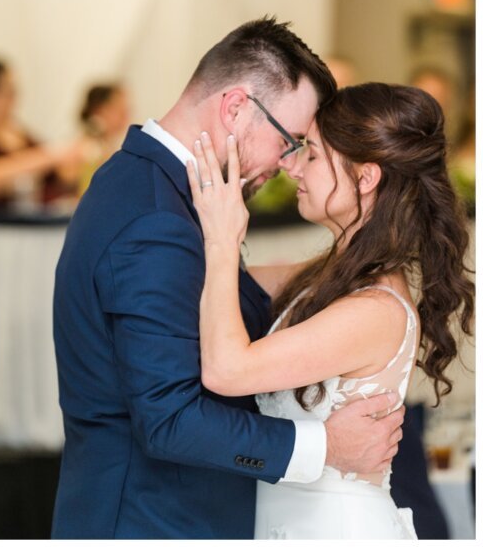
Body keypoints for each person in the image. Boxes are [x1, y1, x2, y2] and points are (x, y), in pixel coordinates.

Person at [51, 17, 406, 538]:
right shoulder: (157, 219)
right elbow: (171, 420)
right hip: (154, 520)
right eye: (289, 140)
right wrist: (327, 446)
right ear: (237, 107)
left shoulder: (153, 186)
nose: (288, 164)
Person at [188, 83, 474, 538]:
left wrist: (223, 237)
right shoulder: (324, 277)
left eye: (313, 155)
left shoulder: (376, 309)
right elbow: (210, 286)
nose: (291, 165)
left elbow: (226, 370)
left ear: (365, 178)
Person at [0, 58, 82, 211]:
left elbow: (62, 174)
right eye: (8, 92)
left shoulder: (15, 128)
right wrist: (51, 156)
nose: (14, 99)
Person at [75, 82, 132, 194]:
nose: (125, 115)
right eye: (119, 109)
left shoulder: (113, 146)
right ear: (99, 110)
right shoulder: (85, 147)